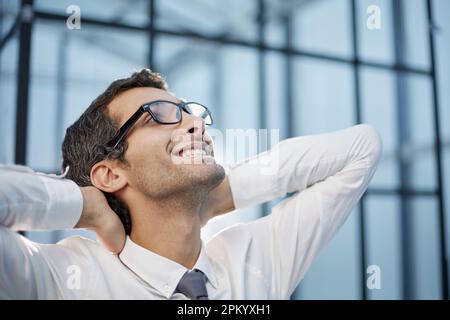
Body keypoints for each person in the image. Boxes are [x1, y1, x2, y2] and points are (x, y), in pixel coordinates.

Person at [0, 69, 382, 299]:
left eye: (189, 113)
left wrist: (225, 193)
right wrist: (84, 205)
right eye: (160, 115)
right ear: (111, 173)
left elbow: (361, 148)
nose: (196, 124)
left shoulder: (252, 260)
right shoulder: (57, 279)